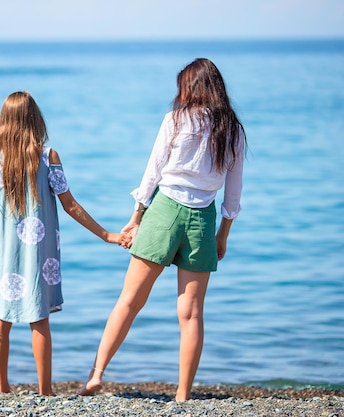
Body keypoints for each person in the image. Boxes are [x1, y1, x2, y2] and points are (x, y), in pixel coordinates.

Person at [79, 58, 247, 401]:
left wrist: (137, 216)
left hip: (165, 211)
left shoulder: (175, 120)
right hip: (203, 219)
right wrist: (222, 235)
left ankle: (96, 376)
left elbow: (152, 172)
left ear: (191, 87)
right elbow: (234, 194)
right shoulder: (232, 129)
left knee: (129, 301)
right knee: (192, 313)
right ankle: (183, 393)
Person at [0, 91, 127, 396]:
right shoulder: (47, 157)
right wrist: (107, 235)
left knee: (0, 317)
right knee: (39, 317)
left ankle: (1, 386)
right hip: (38, 252)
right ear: (35, 119)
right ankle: (45, 391)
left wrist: (2, 243)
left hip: (2, 252)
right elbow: (70, 205)